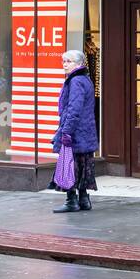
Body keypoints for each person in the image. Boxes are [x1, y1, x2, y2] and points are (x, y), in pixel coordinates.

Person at [51, 49, 99, 213]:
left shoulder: (76, 81)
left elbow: (74, 109)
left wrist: (66, 132)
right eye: (63, 61)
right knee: (82, 164)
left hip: (75, 132)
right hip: (85, 131)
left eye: (68, 61)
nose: (64, 64)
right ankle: (84, 199)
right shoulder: (85, 79)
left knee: (69, 166)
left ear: (79, 64)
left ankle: (71, 201)